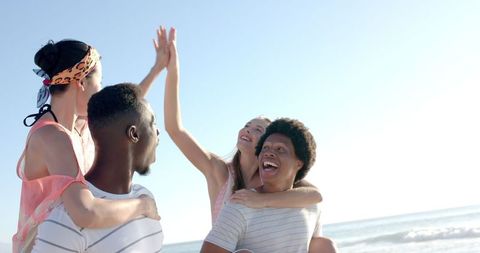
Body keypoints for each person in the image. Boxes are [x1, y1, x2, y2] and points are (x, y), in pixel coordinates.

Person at [14, 26, 171, 252]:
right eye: (100, 80)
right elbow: (85, 213)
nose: (101, 89)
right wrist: (142, 206)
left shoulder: (79, 126)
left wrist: (157, 69)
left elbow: (123, 109)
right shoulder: (51, 137)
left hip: (78, 240)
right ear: (81, 82)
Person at [163, 29, 322, 225]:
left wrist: (263, 200)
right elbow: (175, 129)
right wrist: (173, 70)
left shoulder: (273, 179)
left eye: (257, 130)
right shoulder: (219, 171)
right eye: (247, 125)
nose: (248, 130)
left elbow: (314, 195)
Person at [32, 83, 164, 252]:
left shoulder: (144, 196)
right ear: (134, 134)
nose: (158, 132)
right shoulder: (66, 222)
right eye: (153, 123)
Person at [201, 118, 337, 253]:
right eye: (265, 148)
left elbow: (317, 196)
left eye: (280, 149)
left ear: (299, 163)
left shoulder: (311, 207)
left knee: (324, 245)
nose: (268, 152)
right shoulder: (240, 206)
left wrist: (263, 201)